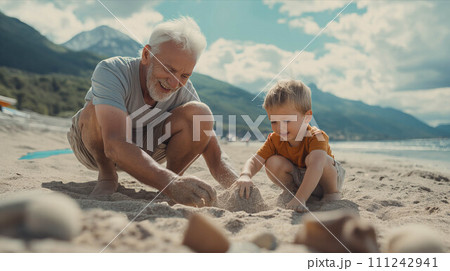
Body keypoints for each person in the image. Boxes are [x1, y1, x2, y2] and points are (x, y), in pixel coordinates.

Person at [67, 17, 238, 207]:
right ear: (147, 55)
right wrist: (169, 183)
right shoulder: (112, 70)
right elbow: (114, 143)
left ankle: (171, 184)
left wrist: (240, 186)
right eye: (169, 69)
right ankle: (108, 176)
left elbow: (212, 148)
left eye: (184, 75)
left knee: (200, 113)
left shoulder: (183, 88)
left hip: (146, 149)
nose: (174, 83)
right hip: (93, 149)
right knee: (93, 108)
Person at [234, 80, 345, 212]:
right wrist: (245, 175)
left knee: (318, 159)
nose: (280, 127)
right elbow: (255, 160)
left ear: (307, 117)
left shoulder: (317, 136)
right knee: (271, 161)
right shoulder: (274, 139)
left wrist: (301, 198)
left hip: (325, 180)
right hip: (299, 180)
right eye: (274, 121)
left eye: (287, 120)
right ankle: (293, 192)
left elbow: (316, 166)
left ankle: (330, 194)